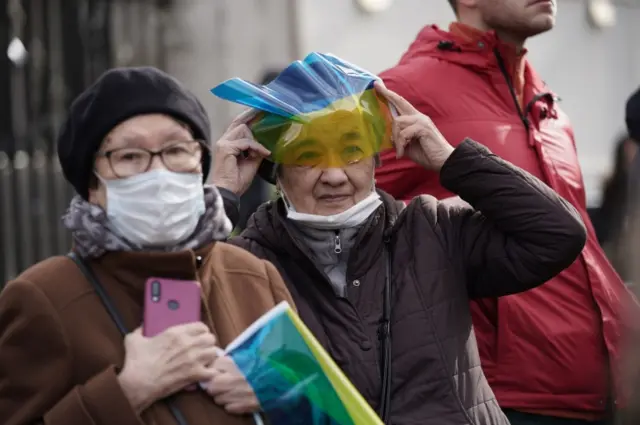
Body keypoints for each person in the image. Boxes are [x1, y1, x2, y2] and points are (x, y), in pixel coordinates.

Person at [212, 67, 587, 424]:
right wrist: (220, 199)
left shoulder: (433, 230)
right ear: (274, 171)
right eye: (307, 157)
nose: (334, 176)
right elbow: (171, 319)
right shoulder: (245, 264)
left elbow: (558, 234)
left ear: (377, 158)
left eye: (352, 151)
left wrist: (451, 160)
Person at [374, 1, 637, 424]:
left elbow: (582, 250)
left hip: (606, 395)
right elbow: (351, 224)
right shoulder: (405, 90)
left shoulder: (547, 105)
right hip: (507, 400)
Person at [0, 67, 295, 425]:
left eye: (176, 149)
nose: (159, 172)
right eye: (129, 157)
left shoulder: (253, 276)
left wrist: (282, 395)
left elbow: (323, 409)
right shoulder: (43, 296)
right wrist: (126, 391)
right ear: (92, 186)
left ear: (199, 161)